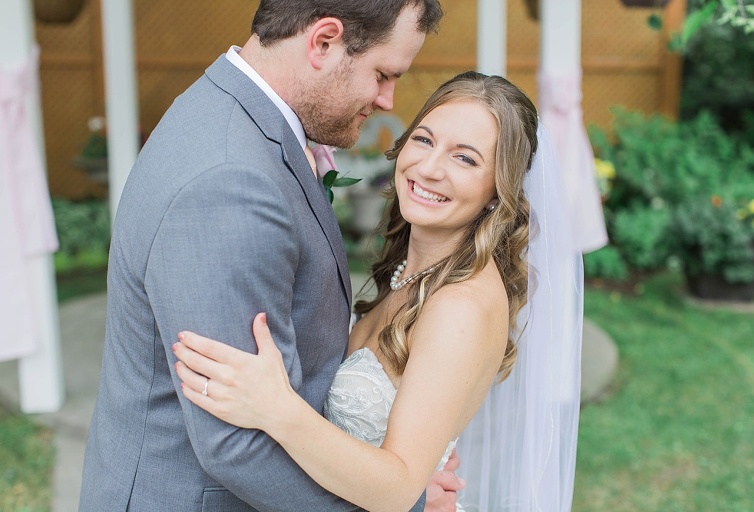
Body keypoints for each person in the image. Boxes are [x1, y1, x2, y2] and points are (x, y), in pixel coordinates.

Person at [78, 2, 452, 511]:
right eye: (383, 74)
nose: (388, 100)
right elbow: (237, 444)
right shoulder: (232, 181)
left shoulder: (227, 109)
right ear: (323, 42)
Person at [173, 71, 583, 511]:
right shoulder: (413, 271)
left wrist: (276, 408)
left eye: (465, 159)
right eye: (424, 140)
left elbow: (399, 488)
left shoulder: (459, 306)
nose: (428, 168)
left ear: (496, 190)